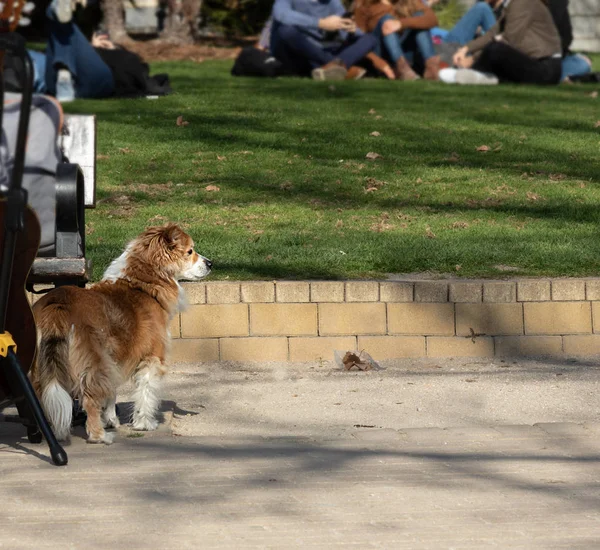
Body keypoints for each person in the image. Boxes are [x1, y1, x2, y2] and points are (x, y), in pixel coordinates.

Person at [440, 0, 562, 86]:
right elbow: (491, 33)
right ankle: (482, 77)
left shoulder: (523, 2)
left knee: (496, 49)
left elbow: (510, 40)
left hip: (545, 67)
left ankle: (470, 73)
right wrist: (466, 49)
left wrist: (472, 59)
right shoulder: (512, 4)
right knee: (495, 48)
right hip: (535, 63)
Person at [270, 0, 378, 81]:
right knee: (285, 31)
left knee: (370, 39)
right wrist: (321, 23)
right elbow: (281, 15)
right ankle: (341, 68)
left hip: (326, 48)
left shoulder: (332, 2)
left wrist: (353, 29)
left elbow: (343, 24)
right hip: (302, 53)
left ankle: (332, 67)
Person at [354, 0, 441, 81]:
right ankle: (401, 68)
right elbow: (357, 40)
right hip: (381, 53)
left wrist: (401, 24)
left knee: (420, 16)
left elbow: (432, 19)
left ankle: (431, 66)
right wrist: (380, 63)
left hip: (405, 52)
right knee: (386, 19)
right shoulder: (364, 3)